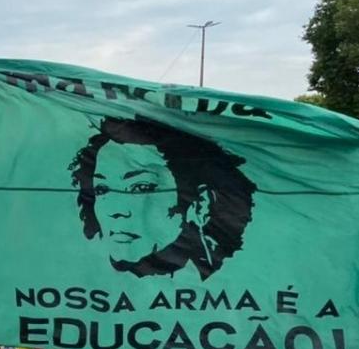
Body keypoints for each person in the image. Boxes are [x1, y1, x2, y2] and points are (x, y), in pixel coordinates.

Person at [70, 115, 256, 279]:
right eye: (101, 190)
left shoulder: (237, 280)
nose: (116, 210)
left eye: (141, 188)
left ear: (201, 204)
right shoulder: (78, 277)